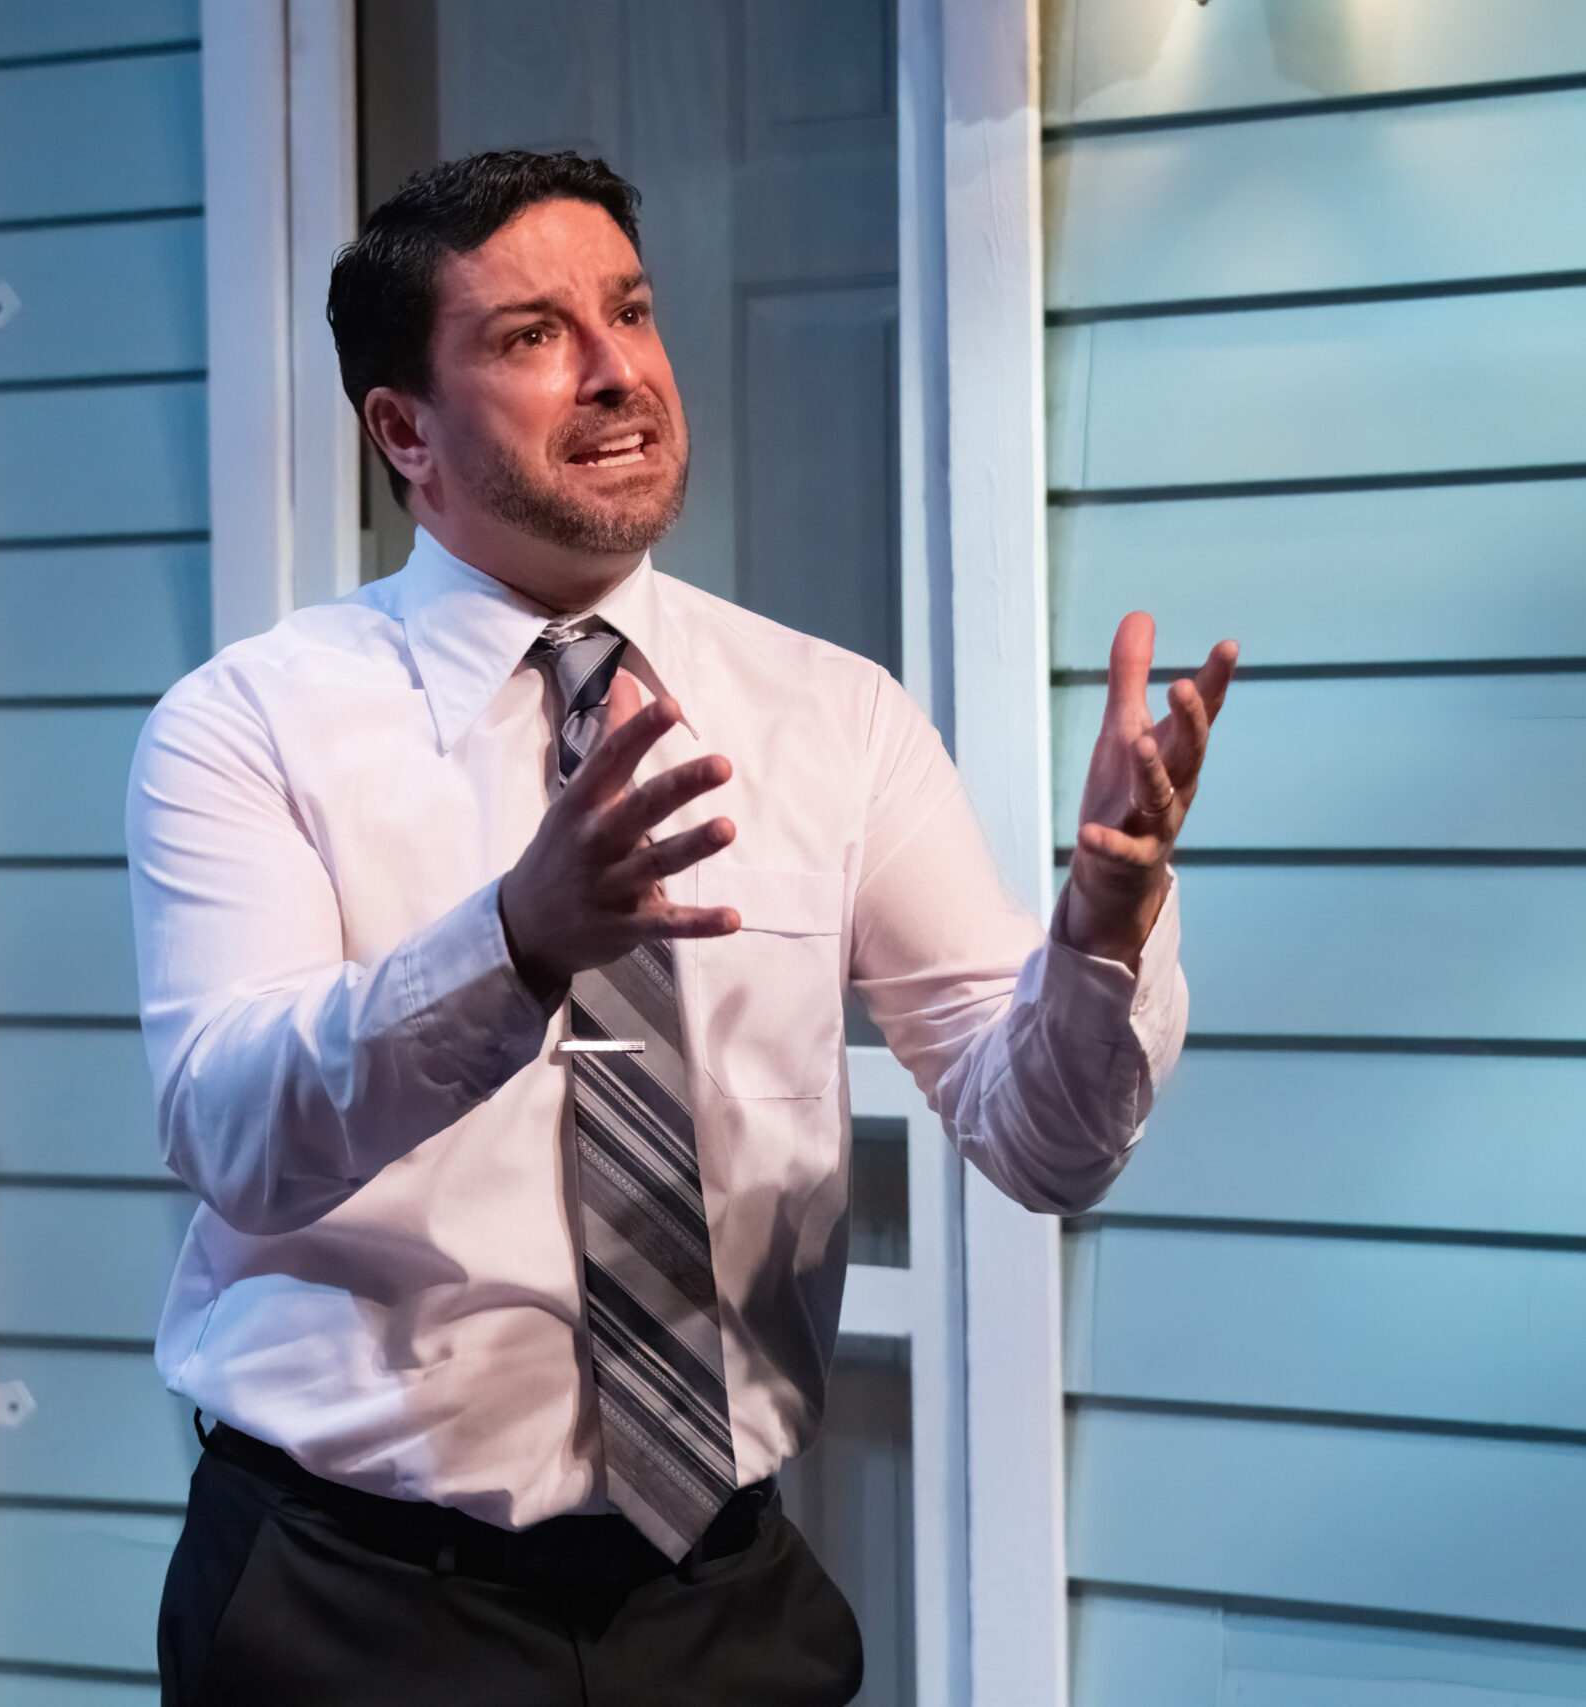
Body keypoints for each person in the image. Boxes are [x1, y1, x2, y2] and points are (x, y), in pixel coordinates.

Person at [130, 149, 1234, 1706]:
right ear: (404, 431)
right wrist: (513, 944)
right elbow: (228, 1131)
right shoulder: (249, 726)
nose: (616, 371)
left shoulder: (832, 717)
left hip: (721, 1605)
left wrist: (1104, 927)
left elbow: (1044, 1145)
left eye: (631, 312)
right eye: (532, 336)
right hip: (351, 1605)